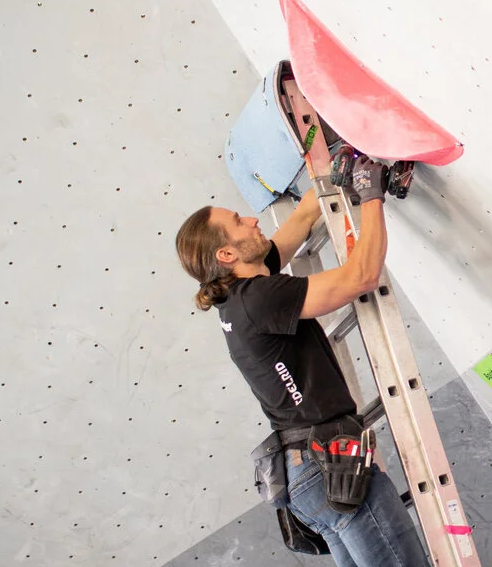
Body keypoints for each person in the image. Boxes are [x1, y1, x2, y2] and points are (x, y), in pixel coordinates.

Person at [175, 155, 429, 566]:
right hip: (328, 463)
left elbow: (305, 215)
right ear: (226, 254)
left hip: (306, 476)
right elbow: (359, 278)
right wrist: (371, 194)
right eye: (239, 221)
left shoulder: (242, 294)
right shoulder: (260, 299)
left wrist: (343, 159)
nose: (253, 220)